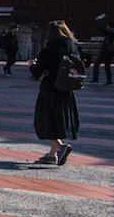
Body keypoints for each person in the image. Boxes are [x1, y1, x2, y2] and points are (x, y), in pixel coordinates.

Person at [30, 19, 82, 165]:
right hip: (66, 90)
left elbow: (36, 73)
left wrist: (32, 65)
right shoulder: (73, 47)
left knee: (45, 121)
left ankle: (60, 147)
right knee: (59, 121)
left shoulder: (48, 50)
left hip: (50, 90)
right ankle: (52, 154)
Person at [90, 15, 114, 84]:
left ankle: (95, 79)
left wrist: (98, 21)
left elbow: (102, 28)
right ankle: (109, 81)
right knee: (107, 67)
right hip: (111, 52)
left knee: (97, 64)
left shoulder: (110, 33)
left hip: (105, 52)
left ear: (110, 27)